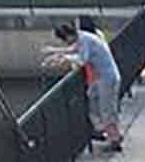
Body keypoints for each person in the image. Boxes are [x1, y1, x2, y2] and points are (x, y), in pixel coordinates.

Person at [52, 20, 123, 153]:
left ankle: (114, 140)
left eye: (65, 40)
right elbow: (73, 49)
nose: (66, 43)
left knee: (107, 109)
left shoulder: (84, 40)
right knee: (92, 96)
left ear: (68, 36)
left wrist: (66, 58)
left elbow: (82, 60)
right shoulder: (83, 37)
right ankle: (103, 129)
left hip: (107, 78)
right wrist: (57, 53)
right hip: (101, 77)